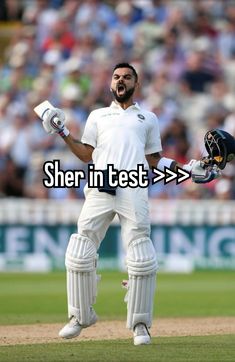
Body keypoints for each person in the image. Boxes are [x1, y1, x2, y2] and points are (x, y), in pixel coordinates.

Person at [39, 62, 219, 345]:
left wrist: (185, 169)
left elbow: (154, 159)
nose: (120, 81)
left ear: (136, 84)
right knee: (80, 249)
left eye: (126, 77)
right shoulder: (97, 116)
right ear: (111, 84)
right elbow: (87, 154)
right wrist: (63, 133)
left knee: (141, 256)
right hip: (100, 185)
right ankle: (80, 316)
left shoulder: (147, 118)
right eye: (116, 77)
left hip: (133, 186)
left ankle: (140, 325)